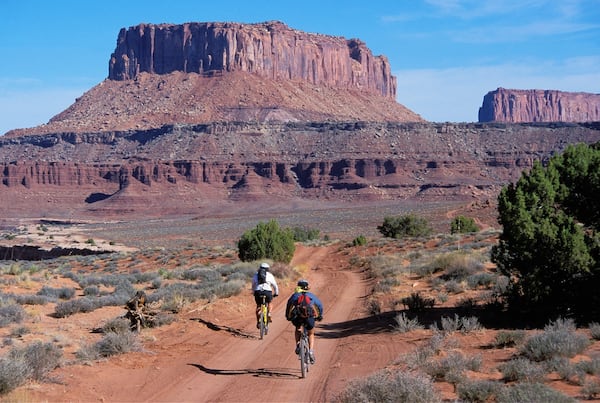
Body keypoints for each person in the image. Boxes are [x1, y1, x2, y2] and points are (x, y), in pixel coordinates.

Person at [285, 279, 323, 364]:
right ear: (307, 287)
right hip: (309, 318)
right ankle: (311, 351)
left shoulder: (295, 296)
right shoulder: (311, 296)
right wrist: (320, 316)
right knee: (311, 333)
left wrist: (288, 316)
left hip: (297, 318)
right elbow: (319, 305)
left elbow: (288, 306)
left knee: (298, 328)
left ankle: (298, 345)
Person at [252, 262, 279, 328]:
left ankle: (258, 321)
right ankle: (269, 313)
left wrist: (254, 292)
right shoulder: (270, 275)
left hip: (258, 291)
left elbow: (253, 285)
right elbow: (275, 285)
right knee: (269, 302)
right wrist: (276, 293)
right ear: (267, 269)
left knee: (258, 305)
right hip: (267, 291)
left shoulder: (256, 275)